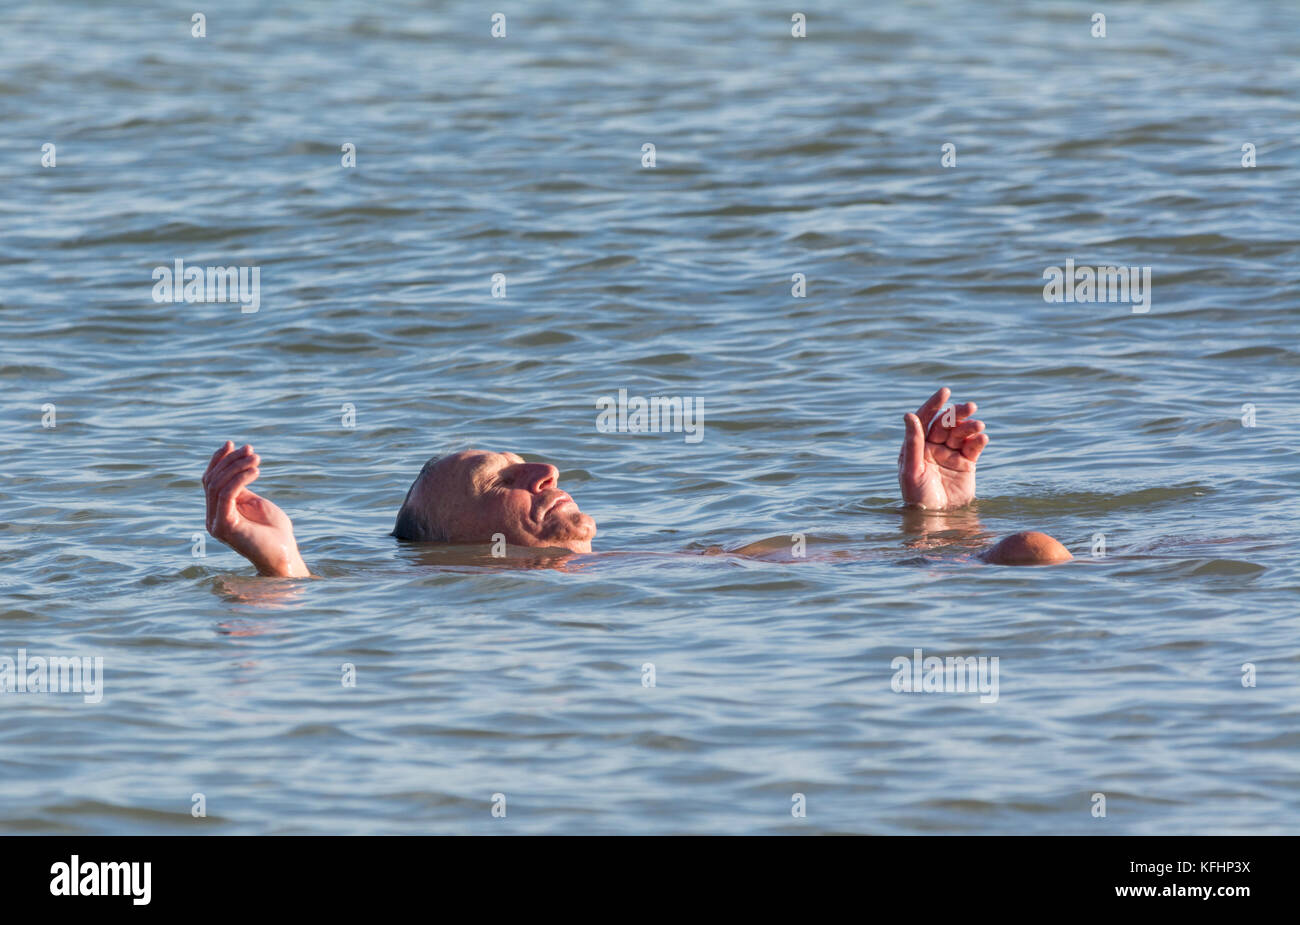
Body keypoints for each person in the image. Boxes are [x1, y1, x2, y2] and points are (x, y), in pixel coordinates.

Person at [200, 387, 1072, 578]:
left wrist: (943, 522)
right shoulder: (607, 597)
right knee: (1035, 553)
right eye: (502, 479)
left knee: (1028, 549)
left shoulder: (647, 559)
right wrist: (281, 567)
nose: (546, 470)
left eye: (530, 460)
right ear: (469, 548)